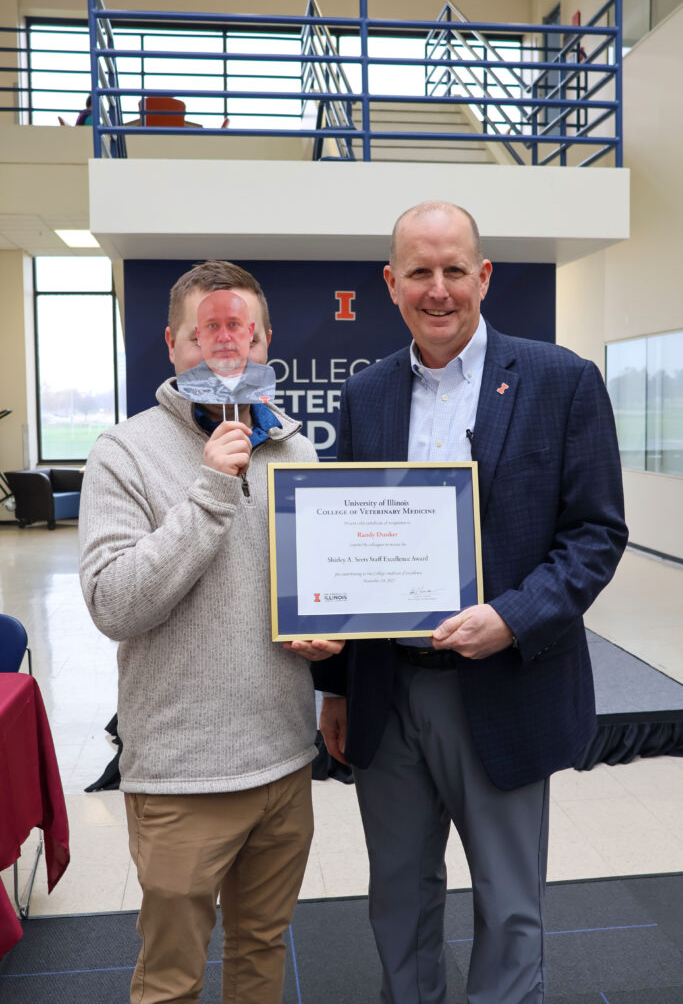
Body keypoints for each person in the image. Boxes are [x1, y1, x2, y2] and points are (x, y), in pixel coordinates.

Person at [315, 201, 628, 1004]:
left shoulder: (561, 380)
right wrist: (338, 688)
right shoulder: (367, 394)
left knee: (509, 902)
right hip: (389, 690)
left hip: (505, 683)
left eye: (455, 269)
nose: (438, 289)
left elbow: (594, 535)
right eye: (419, 271)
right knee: (397, 896)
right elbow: (348, 544)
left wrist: (512, 617)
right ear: (391, 284)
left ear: (483, 276)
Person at [79, 259, 340, 1004]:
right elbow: (114, 605)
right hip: (182, 774)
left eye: (240, 332)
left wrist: (325, 634)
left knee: (261, 953)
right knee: (169, 979)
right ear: (172, 344)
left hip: (285, 762)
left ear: (264, 344)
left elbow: (306, 588)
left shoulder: (293, 446)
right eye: (206, 333)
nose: (224, 348)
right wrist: (212, 489)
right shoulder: (121, 452)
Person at [176, 288, 276, 405]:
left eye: (233, 324)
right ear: (199, 335)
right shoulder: (189, 383)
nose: (224, 337)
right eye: (213, 325)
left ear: (250, 331)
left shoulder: (264, 378)